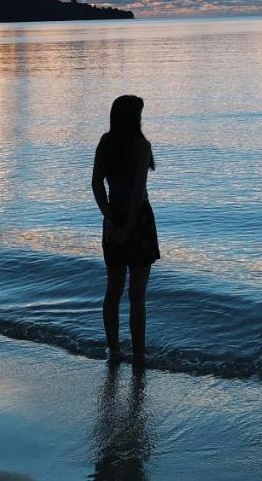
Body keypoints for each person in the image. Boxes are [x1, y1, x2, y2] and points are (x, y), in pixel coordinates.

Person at [91, 94, 160, 363]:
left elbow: (97, 185)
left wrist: (110, 219)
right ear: (134, 118)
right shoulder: (141, 146)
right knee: (137, 296)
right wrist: (129, 226)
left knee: (114, 290)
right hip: (139, 220)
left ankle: (114, 350)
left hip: (114, 218)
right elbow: (137, 192)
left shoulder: (105, 143)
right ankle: (139, 355)